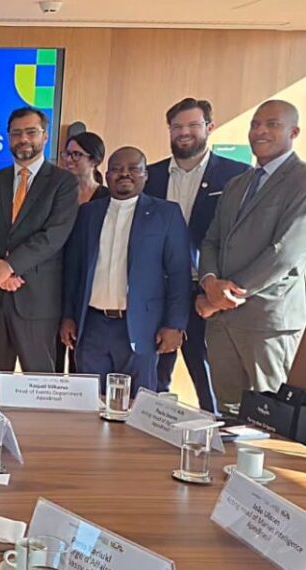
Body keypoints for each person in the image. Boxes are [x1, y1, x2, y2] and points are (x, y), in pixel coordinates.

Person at [198, 100, 306, 413]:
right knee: (228, 415)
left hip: (265, 323)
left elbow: (285, 253)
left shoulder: (301, 181)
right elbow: (212, 240)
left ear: (294, 132)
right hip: (222, 324)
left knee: (270, 419)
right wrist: (209, 283)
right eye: (255, 124)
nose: (260, 131)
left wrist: (222, 297)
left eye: (272, 124)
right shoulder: (237, 183)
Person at [145, 98, 250, 413]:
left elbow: (241, 240)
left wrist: (217, 295)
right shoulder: (150, 176)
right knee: (153, 382)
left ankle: (216, 433)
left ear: (209, 127)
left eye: (192, 125)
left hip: (205, 294)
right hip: (158, 292)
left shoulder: (237, 176)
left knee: (208, 383)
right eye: (177, 126)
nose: (184, 132)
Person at [0, 107, 78, 385]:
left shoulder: (62, 182)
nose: (23, 139)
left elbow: (53, 235)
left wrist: (11, 266)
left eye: (31, 132)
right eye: (16, 133)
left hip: (36, 300)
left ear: (45, 136)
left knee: (40, 383)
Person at [61, 147, 190, 393]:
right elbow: (73, 270)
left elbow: (179, 275)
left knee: (138, 405)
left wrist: (175, 324)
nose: (125, 174)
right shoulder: (88, 213)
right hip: (92, 326)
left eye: (133, 169)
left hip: (142, 327)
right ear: (106, 175)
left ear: (145, 175)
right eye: (117, 169)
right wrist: (68, 315)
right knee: (88, 402)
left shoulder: (166, 214)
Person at [54, 131, 109, 373]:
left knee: (82, 362)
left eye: (76, 155)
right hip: (56, 283)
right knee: (53, 361)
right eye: (66, 154)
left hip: (89, 286)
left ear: (94, 160)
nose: (68, 160)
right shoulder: (56, 195)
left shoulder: (107, 198)